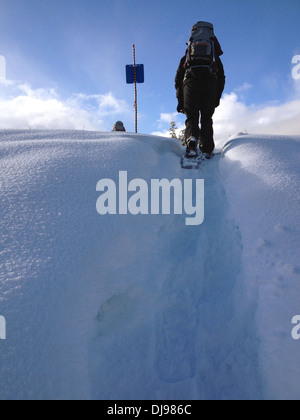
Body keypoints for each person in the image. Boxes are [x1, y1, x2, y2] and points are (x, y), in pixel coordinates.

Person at [175, 22, 225, 157]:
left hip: (190, 84)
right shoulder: (214, 57)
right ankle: (207, 148)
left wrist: (180, 100)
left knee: (191, 116)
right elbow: (221, 78)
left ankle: (192, 139)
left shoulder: (187, 56)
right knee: (207, 117)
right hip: (210, 84)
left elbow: (178, 79)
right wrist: (216, 97)